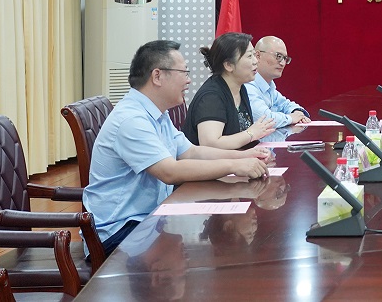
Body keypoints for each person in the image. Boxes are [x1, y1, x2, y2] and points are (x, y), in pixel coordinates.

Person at [84, 40, 271, 257]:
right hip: (120, 231)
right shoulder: (132, 119)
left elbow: (191, 152)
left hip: (148, 221)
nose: (189, 80)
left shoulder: (158, 114)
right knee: (193, 260)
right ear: (157, 76)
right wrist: (234, 166)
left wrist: (244, 156)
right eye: (184, 73)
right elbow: (169, 172)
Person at [182, 32, 277, 149]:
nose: (255, 61)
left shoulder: (240, 88)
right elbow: (210, 144)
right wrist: (251, 134)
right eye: (249, 56)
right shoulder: (212, 97)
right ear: (228, 65)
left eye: (254, 55)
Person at [246, 35, 311, 128]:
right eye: (278, 56)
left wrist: (297, 112)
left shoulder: (269, 86)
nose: (282, 63)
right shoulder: (248, 84)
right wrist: (291, 118)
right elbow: (265, 119)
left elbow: (285, 104)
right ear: (258, 56)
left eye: (285, 58)